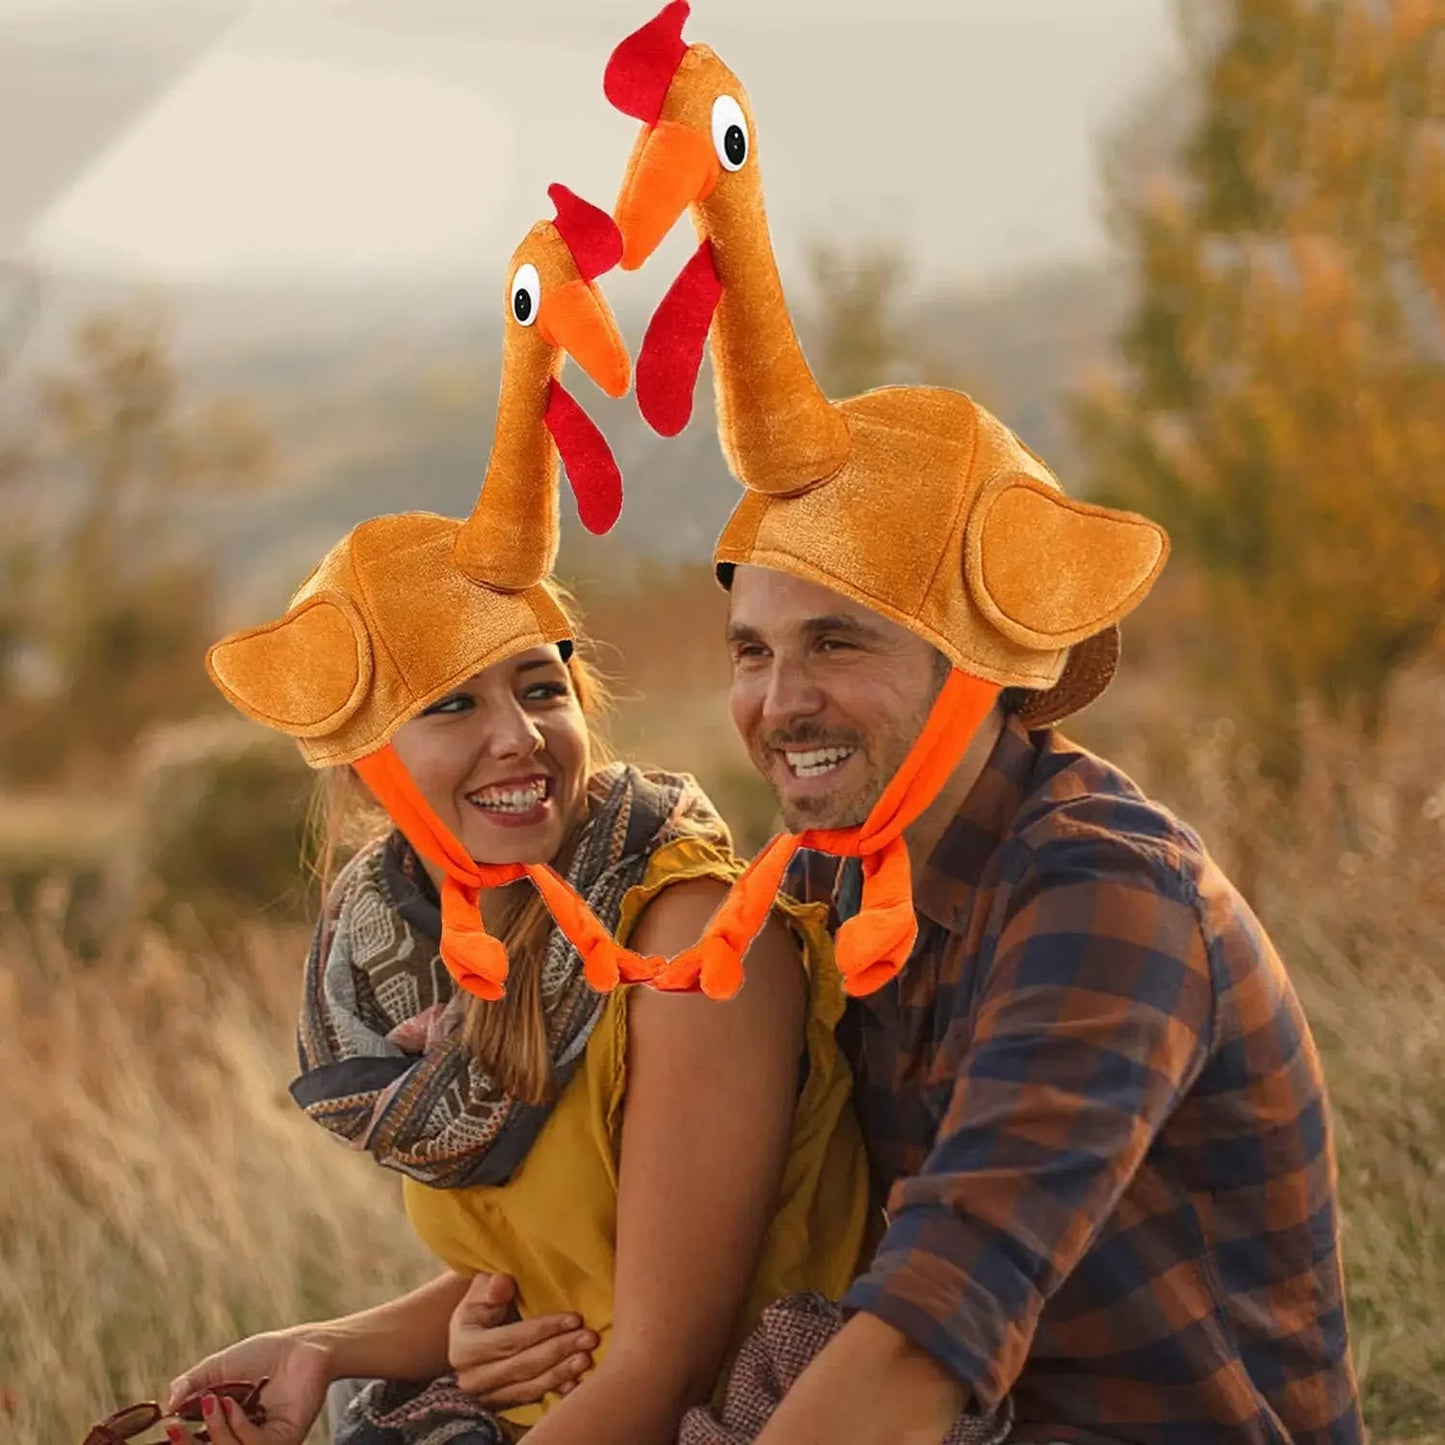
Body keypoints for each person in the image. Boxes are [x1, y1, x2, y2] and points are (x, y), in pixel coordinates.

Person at [443, 8, 1367, 1441]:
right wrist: (394, 1333)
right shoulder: (831, 878)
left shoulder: (1099, 894)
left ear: (974, 662)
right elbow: (699, 1219)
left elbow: (929, 1336)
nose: (774, 701)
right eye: (750, 651)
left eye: (837, 643)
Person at [163, 186, 870, 1445]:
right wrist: (320, 1347)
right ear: (367, 770)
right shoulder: (424, 944)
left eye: (542, 686)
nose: (516, 735)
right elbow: (555, 1279)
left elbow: (656, 1364)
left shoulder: (689, 939)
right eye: (450, 706)